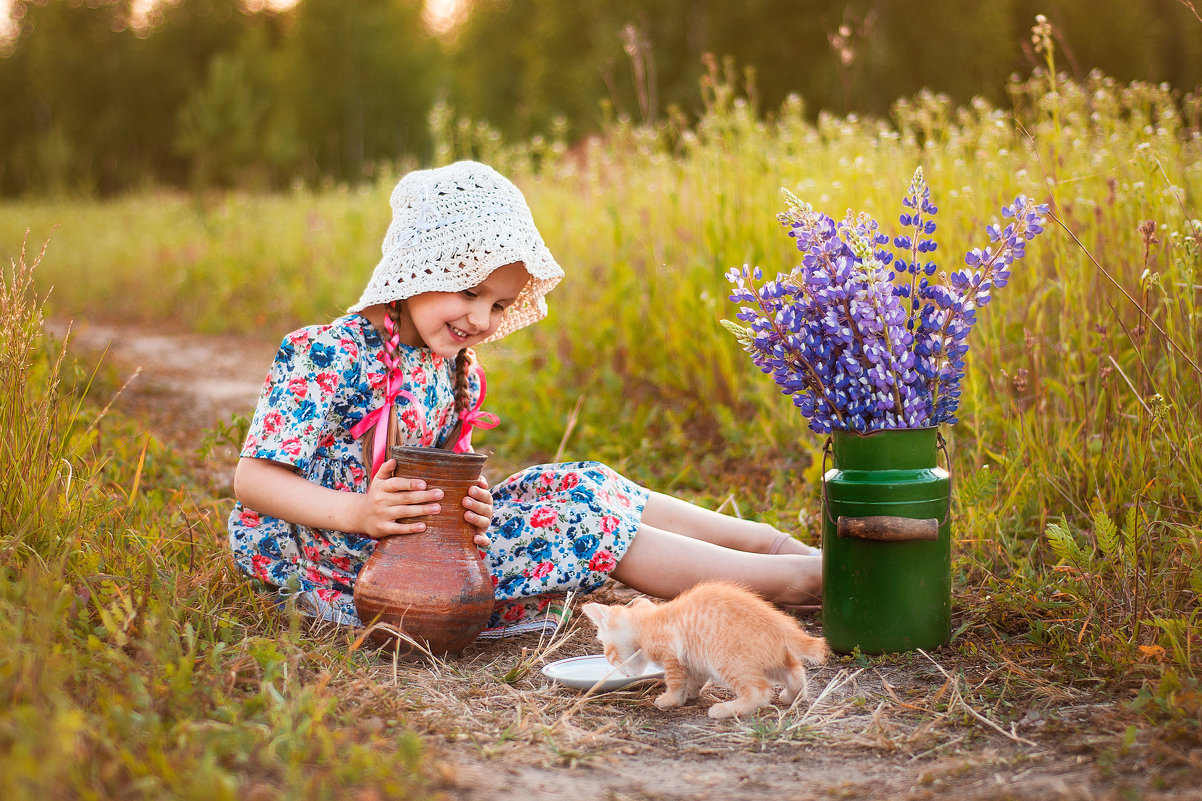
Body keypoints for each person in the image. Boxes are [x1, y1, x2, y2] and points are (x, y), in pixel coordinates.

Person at [228, 160, 821, 636]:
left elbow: (434, 478)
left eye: (499, 304)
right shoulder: (325, 353)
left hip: (421, 542)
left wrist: (471, 506)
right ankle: (793, 581)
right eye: (469, 291)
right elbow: (252, 481)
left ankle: (770, 545)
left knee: (583, 484)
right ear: (411, 271)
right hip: (353, 564)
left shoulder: (447, 364)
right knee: (574, 522)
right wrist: (359, 512)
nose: (481, 319)